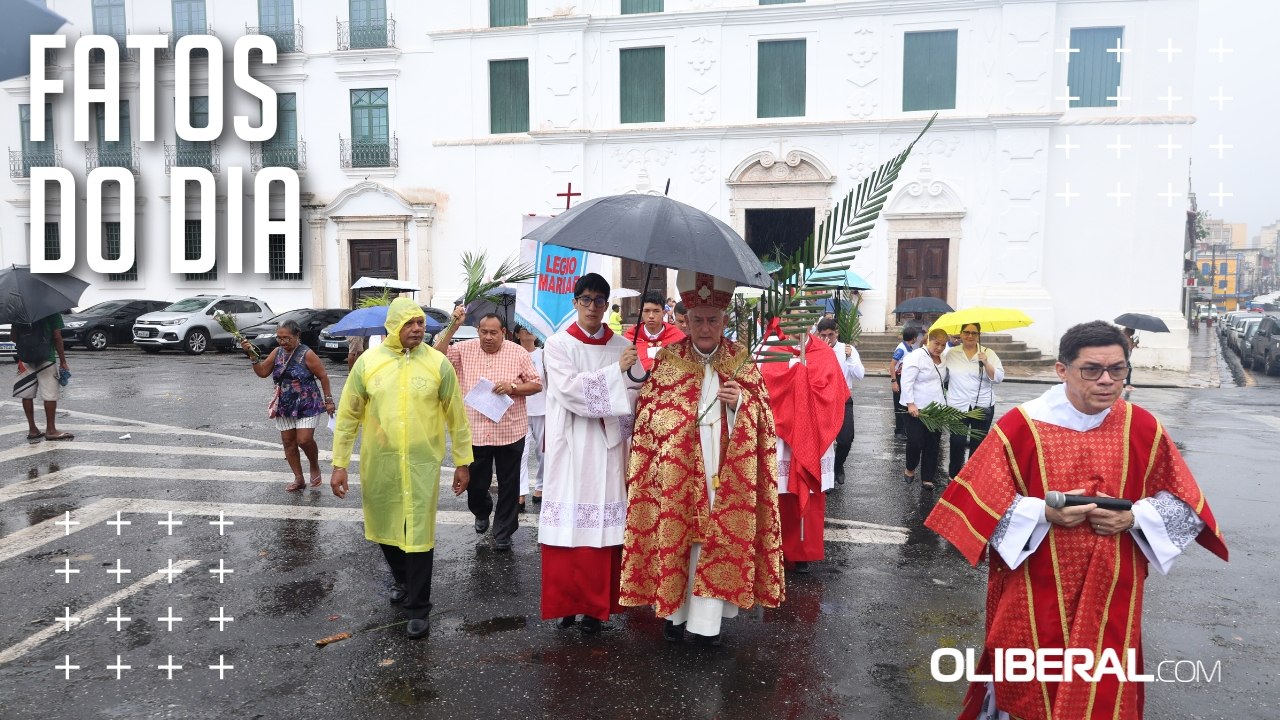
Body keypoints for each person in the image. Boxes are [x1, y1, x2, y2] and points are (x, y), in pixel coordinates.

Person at [925, 320, 1228, 720]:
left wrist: (1135, 517)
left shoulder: (1142, 427)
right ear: (1061, 369)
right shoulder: (1022, 426)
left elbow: (1185, 504)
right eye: (1092, 370)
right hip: (1035, 584)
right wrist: (1042, 512)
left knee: (1103, 688)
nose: (1107, 381)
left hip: (1113, 583)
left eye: (1117, 370)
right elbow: (976, 503)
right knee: (1030, 687)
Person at [622, 271, 784, 645]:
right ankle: (676, 614)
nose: (705, 328)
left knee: (716, 541)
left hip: (723, 471)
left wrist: (739, 405)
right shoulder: (669, 359)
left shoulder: (741, 360)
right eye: (698, 320)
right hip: (677, 472)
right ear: (685, 321)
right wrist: (678, 425)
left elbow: (764, 416)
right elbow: (650, 414)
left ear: (724, 321)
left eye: (713, 320)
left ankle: (707, 625)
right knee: (677, 537)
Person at [329, 298, 474, 639]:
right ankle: (401, 579)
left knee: (419, 534)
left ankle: (419, 608)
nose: (417, 329)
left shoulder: (438, 364)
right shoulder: (368, 364)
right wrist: (339, 464)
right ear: (392, 327)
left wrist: (463, 462)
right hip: (381, 463)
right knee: (385, 527)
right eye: (409, 323)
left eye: (420, 323)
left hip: (423, 465)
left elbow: (457, 416)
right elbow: (349, 415)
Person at [538, 273, 641, 635]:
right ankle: (568, 603)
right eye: (586, 300)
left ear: (607, 304)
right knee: (568, 525)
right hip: (572, 445)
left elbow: (632, 396)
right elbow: (568, 391)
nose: (593, 307)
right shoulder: (557, 344)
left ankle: (597, 608)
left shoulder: (624, 345)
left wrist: (631, 375)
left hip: (608, 446)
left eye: (600, 301)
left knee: (603, 526)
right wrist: (618, 372)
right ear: (575, 302)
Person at [446, 313, 541, 551]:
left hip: (510, 430)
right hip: (476, 432)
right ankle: (481, 510)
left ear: (503, 333)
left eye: (493, 333)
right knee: (477, 484)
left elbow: (536, 384)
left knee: (510, 485)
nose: (487, 337)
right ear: (477, 331)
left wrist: (513, 387)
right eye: (483, 332)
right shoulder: (463, 349)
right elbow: (435, 357)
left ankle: (503, 532)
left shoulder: (517, 352)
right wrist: (452, 327)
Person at [761, 323, 847, 573]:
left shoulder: (823, 352)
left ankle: (802, 551)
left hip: (814, 432)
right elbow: (763, 390)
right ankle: (774, 548)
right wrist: (793, 382)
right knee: (779, 492)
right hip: (780, 433)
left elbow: (835, 393)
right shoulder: (770, 350)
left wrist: (804, 380)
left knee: (810, 492)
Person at [242, 320, 336, 492]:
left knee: (304, 439)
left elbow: (323, 376)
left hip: (308, 402)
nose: (282, 342)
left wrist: (328, 400)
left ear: (297, 336)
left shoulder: (307, 353)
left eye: (287, 338)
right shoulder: (277, 352)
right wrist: (252, 356)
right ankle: (298, 478)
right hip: (285, 404)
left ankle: (314, 465)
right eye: (279, 338)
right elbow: (263, 372)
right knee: (288, 442)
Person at [941, 322, 1003, 480]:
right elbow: (943, 376)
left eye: (974, 333)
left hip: (982, 405)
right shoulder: (951, 354)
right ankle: (954, 476)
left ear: (979, 335)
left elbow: (998, 378)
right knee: (957, 442)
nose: (970, 336)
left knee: (978, 443)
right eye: (966, 332)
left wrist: (986, 363)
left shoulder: (989, 353)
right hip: (957, 405)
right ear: (960, 334)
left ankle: (973, 477)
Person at [815, 318, 865, 485]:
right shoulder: (814, 350)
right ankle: (825, 476)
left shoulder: (846, 350)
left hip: (842, 398)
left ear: (837, 332)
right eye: (824, 335)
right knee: (824, 441)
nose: (828, 338)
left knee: (846, 438)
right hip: (821, 400)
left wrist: (850, 357)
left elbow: (860, 375)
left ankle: (838, 466)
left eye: (831, 334)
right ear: (818, 334)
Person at [900, 328, 949, 489]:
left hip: (937, 408)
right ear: (928, 340)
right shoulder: (916, 356)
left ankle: (927, 477)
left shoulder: (943, 358)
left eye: (943, 345)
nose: (940, 348)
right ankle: (910, 467)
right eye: (936, 344)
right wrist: (910, 404)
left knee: (933, 444)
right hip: (917, 408)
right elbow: (907, 381)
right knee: (915, 442)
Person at [12, 312, 72, 442]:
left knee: (26, 394)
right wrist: (63, 361)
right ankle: (51, 430)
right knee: (50, 394)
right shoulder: (51, 311)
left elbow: (13, 337)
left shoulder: (18, 312)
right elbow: (57, 337)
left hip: (25, 359)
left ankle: (32, 429)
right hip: (46, 358)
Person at [515, 325, 546, 509]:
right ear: (517, 334)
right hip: (519, 410)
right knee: (520, 453)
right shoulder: (513, 353)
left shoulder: (544, 354)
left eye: (531, 327)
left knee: (543, 452)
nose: (528, 331)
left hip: (543, 410)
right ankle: (520, 492)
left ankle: (541, 486)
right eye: (523, 328)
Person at [622, 290, 686, 372]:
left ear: (663, 312)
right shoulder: (630, 337)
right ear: (640, 312)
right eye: (646, 311)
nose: (651, 316)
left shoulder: (677, 336)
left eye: (656, 311)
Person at [888, 326, 919, 440]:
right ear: (914, 338)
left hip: (905, 379)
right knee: (899, 405)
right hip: (899, 378)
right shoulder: (901, 349)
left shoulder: (909, 348)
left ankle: (904, 430)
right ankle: (899, 431)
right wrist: (894, 381)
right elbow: (892, 365)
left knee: (905, 404)